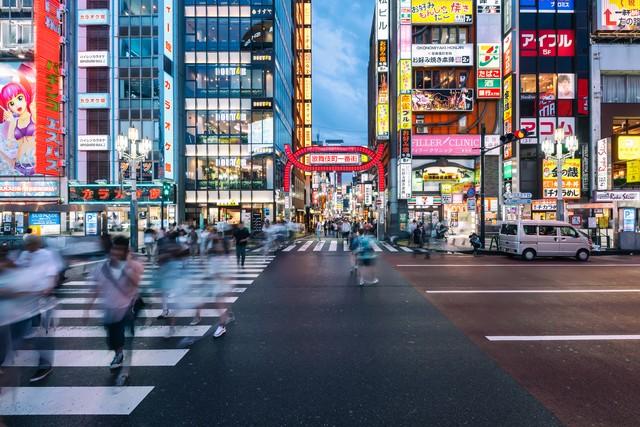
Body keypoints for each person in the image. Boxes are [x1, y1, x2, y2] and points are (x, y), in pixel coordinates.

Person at [86, 235, 144, 386]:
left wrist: (126, 265)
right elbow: (95, 288)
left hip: (127, 307)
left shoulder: (134, 265)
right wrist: (87, 308)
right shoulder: (102, 267)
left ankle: (120, 357)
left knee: (123, 334)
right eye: (114, 248)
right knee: (112, 337)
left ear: (126, 250)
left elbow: (135, 283)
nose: (116, 252)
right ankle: (118, 353)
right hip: (109, 308)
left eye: (120, 249)